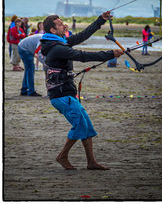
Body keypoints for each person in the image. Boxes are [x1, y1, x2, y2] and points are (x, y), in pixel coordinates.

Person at [40, 11, 124, 170]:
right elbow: (82, 55)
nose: (64, 24)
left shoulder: (60, 42)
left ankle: (91, 162)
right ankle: (62, 156)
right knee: (79, 126)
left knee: (86, 126)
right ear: (52, 30)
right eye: (59, 24)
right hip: (62, 96)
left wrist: (101, 20)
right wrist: (109, 54)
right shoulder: (56, 48)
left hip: (67, 94)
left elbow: (83, 35)